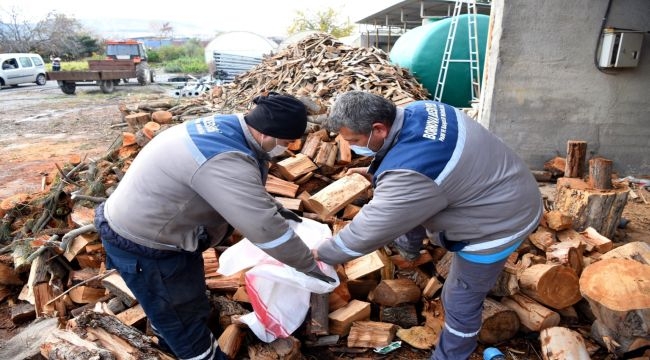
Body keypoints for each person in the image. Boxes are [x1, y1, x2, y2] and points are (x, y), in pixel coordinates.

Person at [94, 92, 334, 360]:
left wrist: (275, 208)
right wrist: (308, 266)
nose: (287, 149)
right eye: (287, 142)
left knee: (187, 308)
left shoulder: (229, 128)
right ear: (269, 133)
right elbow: (265, 230)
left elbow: (237, 189)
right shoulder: (224, 158)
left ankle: (169, 347)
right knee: (181, 323)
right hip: (146, 244)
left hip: (165, 232)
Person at [315, 91, 542, 359]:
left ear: (378, 128)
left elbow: (368, 231)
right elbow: (420, 164)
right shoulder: (424, 109)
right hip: (509, 187)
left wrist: (324, 253)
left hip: (499, 223)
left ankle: (451, 354)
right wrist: (375, 173)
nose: (351, 146)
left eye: (354, 140)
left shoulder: (412, 175)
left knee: (459, 301)